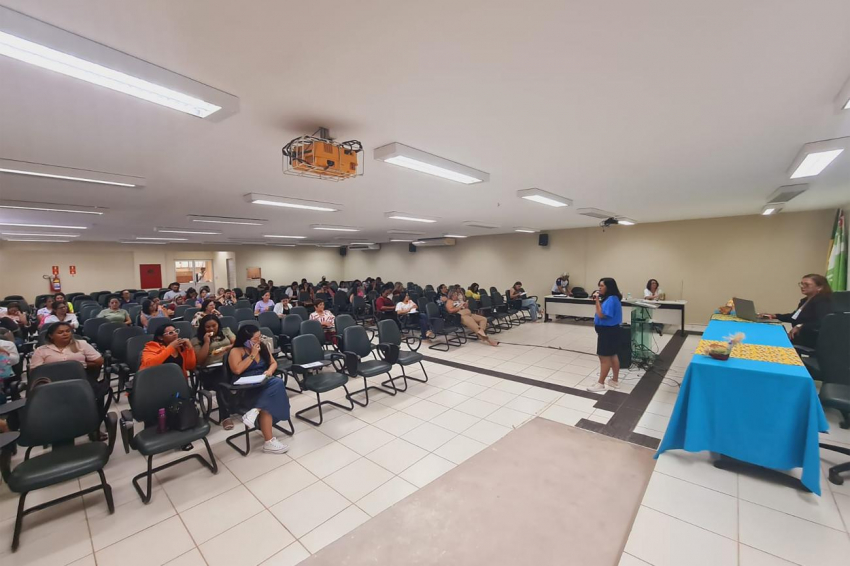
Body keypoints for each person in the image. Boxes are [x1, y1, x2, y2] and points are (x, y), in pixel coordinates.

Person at [31, 322, 108, 437]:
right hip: (53, 382)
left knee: (98, 394)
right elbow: (35, 371)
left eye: (68, 331)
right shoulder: (41, 350)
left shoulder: (81, 344)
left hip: (80, 378)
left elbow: (99, 361)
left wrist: (80, 365)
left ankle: (94, 427)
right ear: (51, 336)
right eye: (60, 332)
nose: (65, 334)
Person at [227, 325, 290, 454]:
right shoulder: (236, 351)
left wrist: (269, 372)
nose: (259, 341)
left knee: (275, 384)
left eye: (259, 337)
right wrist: (252, 355)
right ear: (246, 340)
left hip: (263, 383)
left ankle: (256, 412)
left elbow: (273, 363)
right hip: (246, 389)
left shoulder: (262, 347)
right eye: (256, 339)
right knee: (276, 385)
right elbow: (237, 370)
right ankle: (268, 440)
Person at [761, 274, 835, 348]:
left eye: (807, 284)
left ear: (820, 287)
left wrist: (800, 326)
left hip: (812, 339)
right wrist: (775, 316)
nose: (802, 287)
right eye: (802, 284)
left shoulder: (823, 301)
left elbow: (823, 322)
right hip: (800, 335)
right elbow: (794, 317)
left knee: (770, 340)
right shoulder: (805, 300)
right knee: (768, 335)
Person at [192, 314, 236, 430]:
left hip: (229, 365)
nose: (211, 329)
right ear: (203, 328)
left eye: (214, 326)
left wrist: (226, 348)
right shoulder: (197, 340)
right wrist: (206, 342)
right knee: (221, 379)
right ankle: (225, 416)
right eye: (208, 327)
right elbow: (200, 361)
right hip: (209, 371)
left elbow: (236, 343)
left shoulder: (226, 331)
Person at [587, 278, 623, 392]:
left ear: (608, 287)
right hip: (612, 330)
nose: (599, 288)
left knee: (604, 357)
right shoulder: (613, 298)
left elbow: (602, 314)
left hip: (608, 332)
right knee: (612, 355)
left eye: (602, 286)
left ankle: (600, 383)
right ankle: (614, 380)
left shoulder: (611, 299)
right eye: (599, 286)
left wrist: (597, 300)